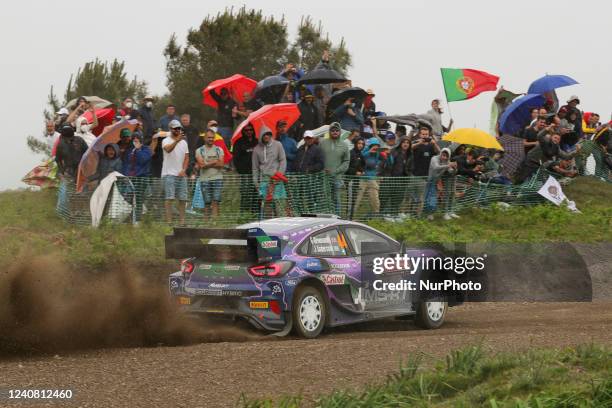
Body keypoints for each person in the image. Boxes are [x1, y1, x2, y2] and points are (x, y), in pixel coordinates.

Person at [252, 125, 287, 217]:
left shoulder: (278, 144)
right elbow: (255, 168)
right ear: (261, 136)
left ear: (271, 135)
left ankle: (282, 225)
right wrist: (256, 182)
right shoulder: (256, 149)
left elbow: (283, 160)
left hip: (277, 179)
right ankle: (269, 225)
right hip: (264, 180)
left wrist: (279, 175)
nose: (266, 136)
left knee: (279, 204)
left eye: (268, 134)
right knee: (267, 206)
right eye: (264, 134)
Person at [161, 120, 189, 225]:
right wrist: (177, 140)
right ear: (171, 129)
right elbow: (168, 149)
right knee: (169, 198)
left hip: (181, 174)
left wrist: (184, 169)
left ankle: (182, 222)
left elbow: (187, 157)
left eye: (179, 128)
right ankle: (169, 222)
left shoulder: (184, 142)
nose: (178, 130)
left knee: (183, 198)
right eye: (175, 128)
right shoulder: (165, 140)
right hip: (168, 174)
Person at [320, 122, 350, 215]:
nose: (335, 132)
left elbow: (346, 161)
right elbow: (318, 158)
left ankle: (337, 218)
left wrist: (336, 171)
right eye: (332, 130)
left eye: (337, 130)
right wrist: (321, 169)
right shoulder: (323, 143)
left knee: (336, 199)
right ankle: (324, 217)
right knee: (324, 198)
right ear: (329, 132)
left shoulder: (344, 145)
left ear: (340, 132)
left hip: (337, 177)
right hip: (323, 177)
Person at [195, 129, 225, 219]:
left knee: (216, 201)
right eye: (209, 137)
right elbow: (201, 165)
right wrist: (215, 161)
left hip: (217, 177)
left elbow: (221, 164)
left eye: (212, 137)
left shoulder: (219, 150)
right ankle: (206, 222)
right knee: (207, 202)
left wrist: (207, 163)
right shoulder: (199, 150)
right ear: (205, 138)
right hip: (205, 178)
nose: (211, 139)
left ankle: (215, 222)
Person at [293, 130, 325, 213]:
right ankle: (300, 214)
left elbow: (321, 164)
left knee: (310, 198)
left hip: (311, 178)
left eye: (310, 138)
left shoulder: (318, 149)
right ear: (304, 138)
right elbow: (296, 161)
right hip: (299, 177)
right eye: (307, 138)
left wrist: (310, 169)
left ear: (313, 138)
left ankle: (312, 214)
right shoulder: (300, 148)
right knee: (298, 198)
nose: (309, 140)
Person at [411, 126, 439, 216]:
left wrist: (435, 144)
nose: (424, 136)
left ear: (429, 135)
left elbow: (439, 152)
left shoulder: (431, 145)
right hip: (414, 174)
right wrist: (419, 143)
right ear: (419, 134)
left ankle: (417, 214)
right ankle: (408, 212)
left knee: (421, 196)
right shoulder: (416, 142)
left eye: (426, 134)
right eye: (423, 134)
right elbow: (409, 148)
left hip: (425, 175)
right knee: (411, 195)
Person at [123, 133, 152, 223]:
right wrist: (126, 174)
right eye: (134, 140)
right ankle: (132, 216)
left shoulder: (146, 150)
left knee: (139, 199)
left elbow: (143, 160)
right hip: (131, 177)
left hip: (141, 178)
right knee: (128, 197)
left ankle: (137, 220)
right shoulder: (131, 150)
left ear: (141, 140)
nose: (135, 141)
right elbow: (128, 163)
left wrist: (138, 150)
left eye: (137, 140)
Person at [380, 136, 412, 216]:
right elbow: (387, 165)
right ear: (400, 143)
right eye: (404, 142)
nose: (405, 144)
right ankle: (382, 216)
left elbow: (411, 167)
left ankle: (393, 215)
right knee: (385, 198)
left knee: (398, 199)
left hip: (402, 181)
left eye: (407, 143)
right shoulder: (394, 151)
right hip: (391, 179)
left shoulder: (410, 154)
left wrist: (408, 175)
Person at [424, 148, 458, 220]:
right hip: (430, 180)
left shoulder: (447, 161)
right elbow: (436, 167)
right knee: (428, 197)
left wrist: (454, 168)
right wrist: (448, 166)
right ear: (441, 153)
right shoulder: (434, 158)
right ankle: (427, 214)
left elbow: (450, 171)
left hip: (436, 181)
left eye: (446, 156)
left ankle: (430, 214)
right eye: (443, 155)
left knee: (434, 198)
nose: (444, 157)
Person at [233, 123, 259, 214]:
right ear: (243, 131)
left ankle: (255, 212)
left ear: (253, 130)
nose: (249, 132)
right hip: (244, 173)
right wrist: (240, 171)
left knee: (256, 193)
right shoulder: (238, 142)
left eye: (251, 129)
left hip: (257, 172)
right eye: (246, 130)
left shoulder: (257, 142)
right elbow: (235, 158)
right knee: (245, 193)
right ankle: (244, 213)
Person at [354, 138, 383, 217]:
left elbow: (379, 164)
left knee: (375, 198)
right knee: (358, 198)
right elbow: (361, 159)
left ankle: (376, 215)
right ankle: (351, 215)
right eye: (373, 145)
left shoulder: (377, 154)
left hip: (372, 178)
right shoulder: (364, 152)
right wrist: (369, 152)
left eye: (377, 146)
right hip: (362, 178)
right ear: (370, 146)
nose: (375, 147)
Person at [346, 137, 365, 219]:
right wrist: (355, 172)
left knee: (354, 199)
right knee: (349, 200)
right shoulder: (351, 153)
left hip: (356, 181)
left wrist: (362, 171)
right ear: (355, 144)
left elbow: (363, 165)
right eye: (359, 143)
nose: (360, 145)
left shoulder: (361, 154)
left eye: (362, 144)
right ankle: (348, 218)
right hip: (350, 180)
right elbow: (347, 167)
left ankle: (351, 217)